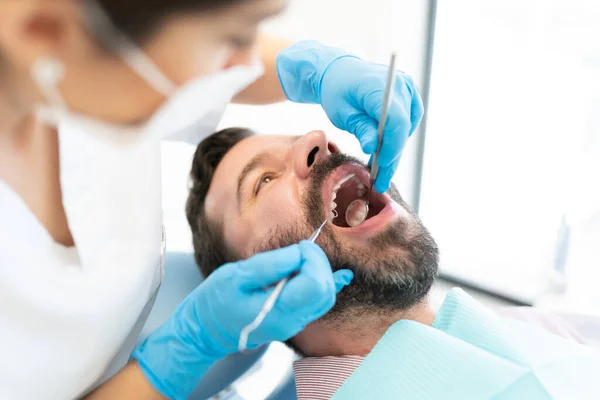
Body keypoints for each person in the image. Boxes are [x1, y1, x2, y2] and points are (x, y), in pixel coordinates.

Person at [0, 0, 424, 399]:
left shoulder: (86, 75)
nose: (319, 139)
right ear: (45, 30)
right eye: (262, 181)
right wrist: (186, 348)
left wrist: (315, 70)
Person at [186, 127, 600, 399]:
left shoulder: (541, 329)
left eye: (305, 137)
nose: (319, 141)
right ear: (258, 290)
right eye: (264, 180)